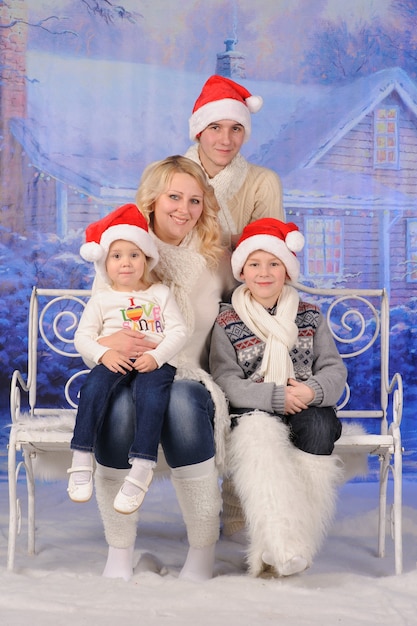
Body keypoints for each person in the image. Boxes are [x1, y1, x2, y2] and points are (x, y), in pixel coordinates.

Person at [91, 156, 236, 582]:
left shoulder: (216, 259)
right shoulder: (123, 249)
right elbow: (95, 325)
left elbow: (253, 300)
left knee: (182, 403)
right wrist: (106, 344)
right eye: (174, 196)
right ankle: (119, 554)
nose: (184, 209)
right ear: (153, 199)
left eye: (195, 200)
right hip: (125, 370)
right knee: (117, 408)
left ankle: (202, 552)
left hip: (188, 373)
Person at [209, 217, 346, 577]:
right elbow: (225, 378)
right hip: (255, 409)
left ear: (287, 269)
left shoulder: (310, 316)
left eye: (274, 263)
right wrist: (272, 397)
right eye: (254, 264)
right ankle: (281, 547)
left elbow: (333, 369)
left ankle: (295, 543)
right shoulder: (227, 321)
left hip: (305, 403)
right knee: (258, 440)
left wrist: (310, 390)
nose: (264, 272)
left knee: (318, 428)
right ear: (242, 271)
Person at [68, 203, 188, 516]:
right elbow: (82, 338)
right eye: (117, 256)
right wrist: (104, 353)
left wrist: (157, 356)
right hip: (114, 361)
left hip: (153, 363)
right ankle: (81, 456)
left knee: (151, 396)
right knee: (93, 387)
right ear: (105, 263)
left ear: (146, 260)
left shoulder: (159, 293)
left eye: (134, 255)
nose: (126, 263)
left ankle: (143, 465)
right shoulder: (102, 299)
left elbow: (179, 331)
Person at [184, 74, 284, 248]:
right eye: (215, 128)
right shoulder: (168, 176)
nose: (226, 140)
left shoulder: (263, 183)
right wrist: (231, 241)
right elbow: (155, 244)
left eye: (236, 129)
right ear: (199, 132)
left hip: (242, 276)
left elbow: (267, 253)